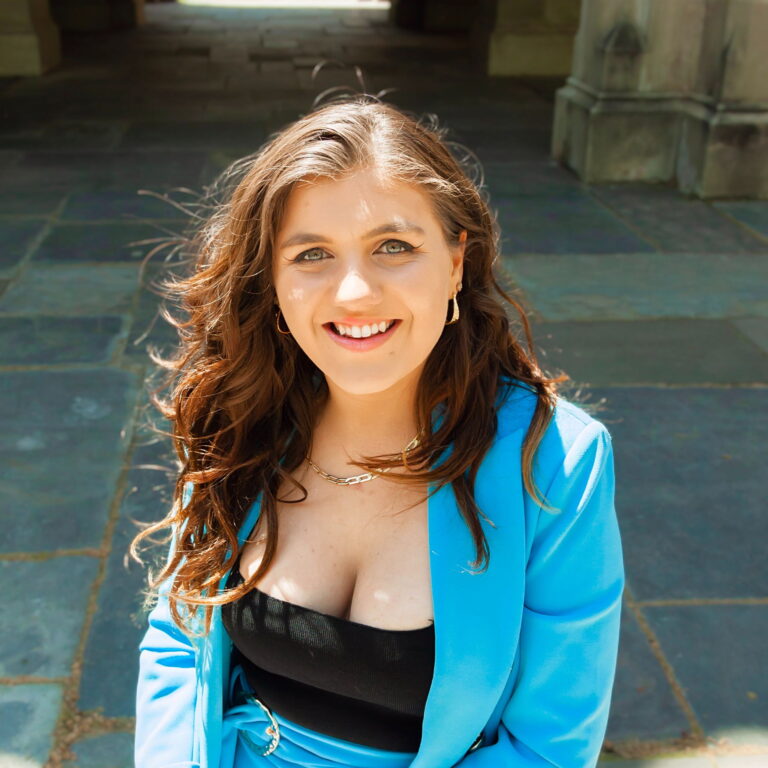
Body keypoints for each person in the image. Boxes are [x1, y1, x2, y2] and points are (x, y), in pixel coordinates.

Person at [131, 95, 625, 768]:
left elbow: (549, 746)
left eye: (393, 246)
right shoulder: (245, 414)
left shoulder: (557, 464)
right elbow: (178, 640)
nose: (354, 291)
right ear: (272, 279)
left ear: (456, 262)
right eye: (311, 254)